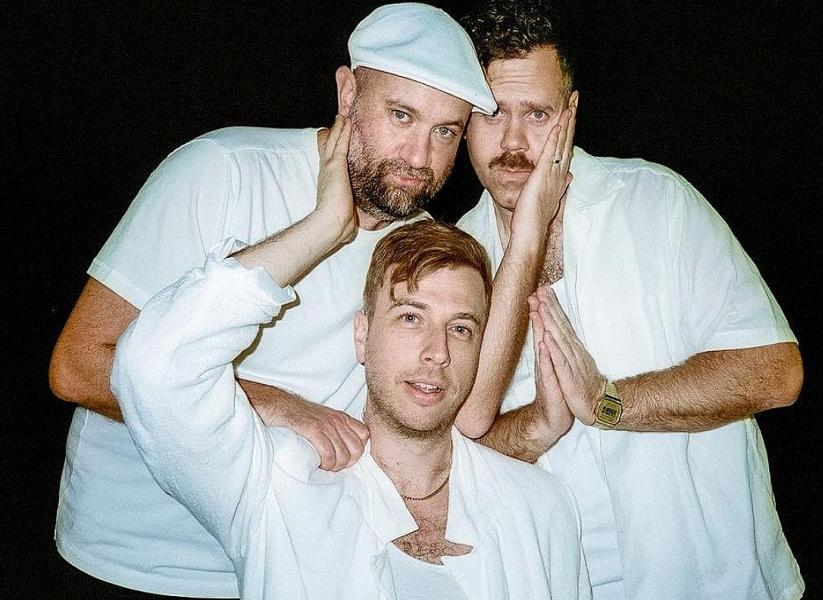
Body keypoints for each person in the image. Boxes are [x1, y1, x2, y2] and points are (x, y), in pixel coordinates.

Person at [47, 4, 520, 597]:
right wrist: (275, 405)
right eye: (401, 115)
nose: (419, 157)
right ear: (348, 93)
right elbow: (77, 363)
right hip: (131, 559)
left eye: (445, 131)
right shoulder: (224, 170)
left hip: (287, 567)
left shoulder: (419, 249)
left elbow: (463, 414)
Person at [456, 1, 806, 599]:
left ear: (571, 112)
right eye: (491, 115)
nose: (513, 143)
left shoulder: (656, 202)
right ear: (463, 117)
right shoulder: (455, 258)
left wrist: (608, 402)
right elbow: (454, 448)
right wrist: (539, 426)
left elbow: (776, 372)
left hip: (718, 581)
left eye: (537, 114)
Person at [112, 207, 592, 598]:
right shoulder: (277, 483)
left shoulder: (541, 503)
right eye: (410, 318)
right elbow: (154, 364)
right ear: (362, 336)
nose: (437, 352)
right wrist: (326, 224)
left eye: (460, 328)